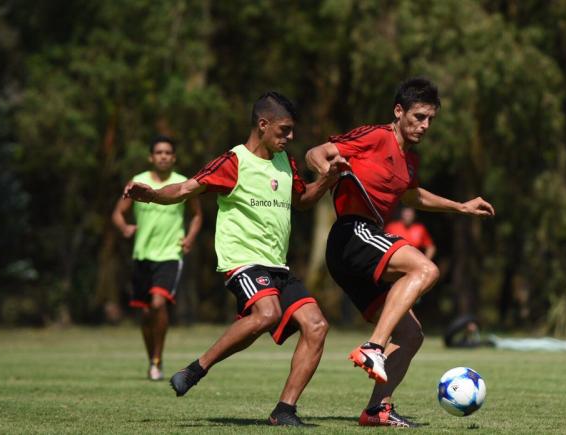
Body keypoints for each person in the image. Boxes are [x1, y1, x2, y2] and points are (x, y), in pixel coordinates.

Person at [123, 92, 332, 426]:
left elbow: (303, 200)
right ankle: (196, 369)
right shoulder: (234, 162)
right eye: (284, 130)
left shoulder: (285, 162)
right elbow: (184, 189)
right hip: (243, 260)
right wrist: (152, 196)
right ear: (263, 125)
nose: (290, 137)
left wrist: (328, 178)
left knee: (317, 326)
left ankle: (284, 411)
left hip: (277, 265)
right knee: (268, 312)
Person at [305, 77, 494, 427]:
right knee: (426, 270)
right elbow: (316, 152)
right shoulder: (376, 137)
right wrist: (326, 170)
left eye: (430, 120)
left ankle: (378, 409)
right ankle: (373, 347)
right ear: (398, 111)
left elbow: (412, 195)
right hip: (352, 233)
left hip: (360, 243)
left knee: (411, 335)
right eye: (419, 117)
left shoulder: (409, 160)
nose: (425, 125)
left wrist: (461, 207)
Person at [112, 136, 203, 381]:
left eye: (168, 152)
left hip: (170, 254)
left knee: (158, 304)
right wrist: (124, 228)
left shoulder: (184, 183)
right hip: (142, 255)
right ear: (151, 157)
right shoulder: (137, 183)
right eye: (159, 152)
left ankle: (157, 360)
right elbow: (118, 214)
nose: (163, 156)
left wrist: (190, 238)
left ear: (173, 157)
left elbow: (196, 215)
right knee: (145, 314)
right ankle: (152, 357)